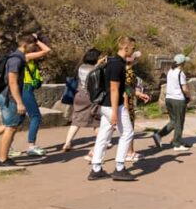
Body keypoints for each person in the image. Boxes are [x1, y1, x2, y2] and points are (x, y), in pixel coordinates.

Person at [0, 33, 46, 167]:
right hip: (9, 97)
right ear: (25, 45)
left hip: (6, 96)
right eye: (33, 45)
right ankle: (3, 160)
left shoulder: (18, 57)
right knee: (11, 128)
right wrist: (19, 102)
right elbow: (12, 82)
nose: (34, 48)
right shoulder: (16, 60)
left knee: (7, 126)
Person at [88, 36, 137, 182]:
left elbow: (119, 86)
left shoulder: (112, 61)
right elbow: (114, 89)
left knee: (104, 134)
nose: (134, 51)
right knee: (127, 132)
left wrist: (136, 92)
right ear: (126, 47)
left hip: (106, 105)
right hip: (114, 105)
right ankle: (120, 167)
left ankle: (96, 168)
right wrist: (115, 112)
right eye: (133, 48)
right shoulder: (117, 65)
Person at [61, 49, 103, 153]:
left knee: (76, 121)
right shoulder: (96, 70)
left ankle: (67, 143)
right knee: (96, 121)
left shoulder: (81, 67)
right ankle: (103, 141)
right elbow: (96, 81)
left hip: (79, 96)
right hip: (90, 97)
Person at [20, 34, 52, 157]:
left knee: (19, 119)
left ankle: (10, 147)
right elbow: (47, 50)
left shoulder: (29, 58)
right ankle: (31, 146)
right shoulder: (26, 56)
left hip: (26, 89)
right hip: (25, 89)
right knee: (36, 117)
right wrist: (37, 40)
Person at [152, 54, 191, 152]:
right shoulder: (180, 73)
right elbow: (185, 88)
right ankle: (177, 144)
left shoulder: (170, 71)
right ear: (182, 63)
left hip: (169, 98)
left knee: (173, 121)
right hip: (178, 99)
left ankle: (159, 135)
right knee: (179, 122)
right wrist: (189, 96)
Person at [124, 51, 150, 161]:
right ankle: (129, 152)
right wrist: (127, 104)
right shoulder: (129, 72)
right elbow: (126, 90)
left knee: (107, 131)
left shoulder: (119, 69)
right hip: (126, 103)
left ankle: (94, 153)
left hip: (116, 103)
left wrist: (138, 94)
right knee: (129, 129)